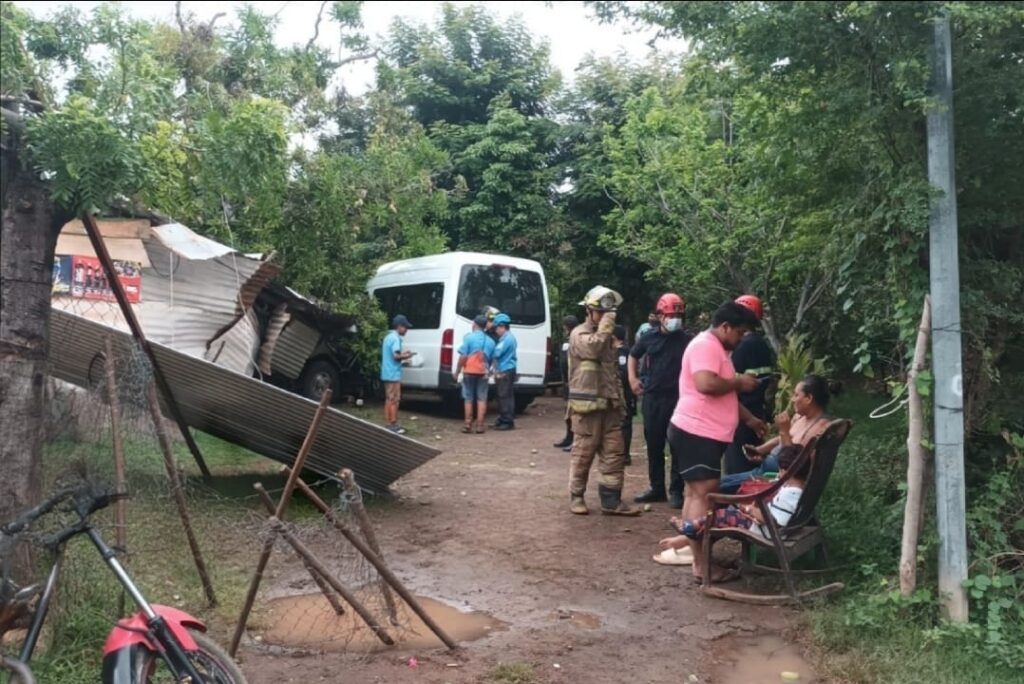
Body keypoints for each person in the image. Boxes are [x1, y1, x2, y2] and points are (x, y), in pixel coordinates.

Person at [667, 301, 764, 582]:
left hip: (701, 434)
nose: (742, 338)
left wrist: (749, 419)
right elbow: (706, 384)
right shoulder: (706, 346)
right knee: (703, 497)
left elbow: (723, 395)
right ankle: (702, 566)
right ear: (725, 327)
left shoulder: (717, 348)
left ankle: (696, 556)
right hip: (697, 433)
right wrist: (739, 382)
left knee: (694, 495)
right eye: (741, 332)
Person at [659, 445, 808, 565]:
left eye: (781, 470)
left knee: (724, 516)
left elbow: (773, 520)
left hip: (767, 531)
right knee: (730, 511)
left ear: (787, 471)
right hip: (771, 527)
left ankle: (690, 528)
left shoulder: (791, 494)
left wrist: (751, 510)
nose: (780, 473)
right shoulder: (800, 489)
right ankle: (691, 533)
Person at [567, 285, 639, 516]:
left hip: (609, 407)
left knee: (614, 454)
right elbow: (593, 349)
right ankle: (576, 497)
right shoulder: (579, 334)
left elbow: (611, 374)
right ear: (588, 311)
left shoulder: (607, 338)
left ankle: (611, 501)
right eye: (601, 313)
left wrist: (620, 403)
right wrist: (607, 327)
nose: (605, 318)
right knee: (583, 454)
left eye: (609, 313)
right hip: (586, 409)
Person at [628, 293, 692, 508]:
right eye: (671, 315)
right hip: (653, 398)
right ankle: (657, 488)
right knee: (654, 445)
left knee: (677, 446)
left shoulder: (687, 340)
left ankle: (677, 490)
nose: (675, 319)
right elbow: (633, 355)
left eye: (678, 315)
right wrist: (633, 378)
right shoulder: (649, 337)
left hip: (678, 399)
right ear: (660, 316)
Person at [720, 375, 833, 493]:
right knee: (720, 482)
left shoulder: (820, 428)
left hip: (774, 477)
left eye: (796, 395)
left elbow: (794, 465)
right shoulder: (799, 417)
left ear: (808, 398)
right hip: (766, 468)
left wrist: (785, 431)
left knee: (715, 487)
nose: (792, 400)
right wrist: (760, 450)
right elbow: (781, 439)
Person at [724, 294, 777, 475]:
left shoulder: (743, 345)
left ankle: (737, 498)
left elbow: (731, 379)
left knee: (738, 463)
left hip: (741, 411)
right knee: (751, 459)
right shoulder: (760, 343)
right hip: (755, 408)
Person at [454, 315, 496, 434]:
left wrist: (457, 371)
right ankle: (480, 426)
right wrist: (489, 370)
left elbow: (463, 356)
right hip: (483, 372)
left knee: (468, 398)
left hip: (469, 372)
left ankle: (467, 424)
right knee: (482, 398)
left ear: (474, 324)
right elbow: (493, 359)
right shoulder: (491, 341)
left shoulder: (468, 338)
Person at [381, 314, 415, 434]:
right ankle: (393, 424)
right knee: (394, 399)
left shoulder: (388, 337)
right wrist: (407, 356)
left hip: (387, 372)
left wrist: (403, 354)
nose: (406, 330)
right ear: (399, 326)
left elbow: (392, 354)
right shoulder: (395, 338)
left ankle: (388, 423)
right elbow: (396, 356)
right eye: (405, 327)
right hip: (393, 374)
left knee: (388, 399)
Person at [554, 314, 580, 450]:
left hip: (571, 381)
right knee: (569, 412)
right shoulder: (580, 339)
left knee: (571, 412)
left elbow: (564, 362)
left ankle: (572, 439)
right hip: (575, 380)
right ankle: (569, 437)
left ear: (566, 327)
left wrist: (566, 379)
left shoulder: (569, 342)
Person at [613, 325, 636, 466]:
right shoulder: (611, 352)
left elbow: (623, 373)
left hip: (625, 393)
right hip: (615, 394)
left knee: (625, 424)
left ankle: (624, 454)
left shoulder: (623, 352)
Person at [490, 313, 518, 430]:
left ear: (502, 326)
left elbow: (497, 353)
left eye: (496, 327)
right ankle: (504, 418)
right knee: (506, 395)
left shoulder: (507, 339)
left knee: (504, 395)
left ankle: (507, 421)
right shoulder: (508, 338)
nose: (496, 330)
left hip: (505, 369)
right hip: (507, 369)